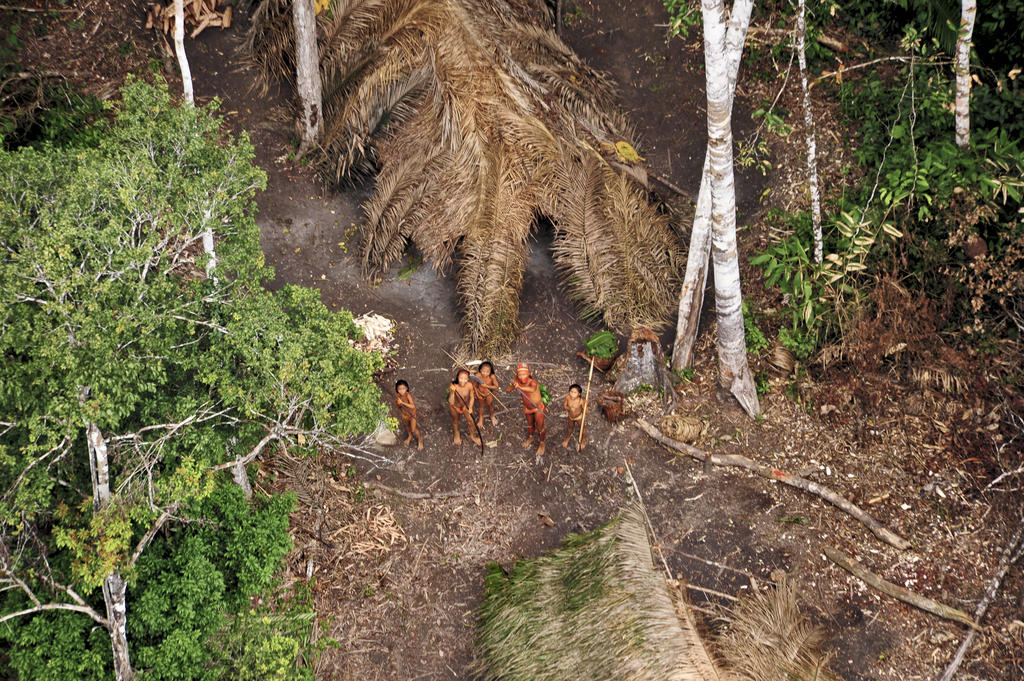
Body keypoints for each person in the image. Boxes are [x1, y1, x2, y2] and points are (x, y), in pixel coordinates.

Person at [505, 362, 546, 461]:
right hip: (527, 408)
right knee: (530, 424)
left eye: (524, 374)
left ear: (528, 374)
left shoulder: (533, 382)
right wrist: (513, 386)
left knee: (540, 427)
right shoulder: (517, 381)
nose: (522, 377)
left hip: (538, 408)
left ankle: (542, 443)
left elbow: (532, 389)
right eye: (520, 374)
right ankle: (531, 437)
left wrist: (520, 387)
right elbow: (508, 390)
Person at [449, 369, 481, 446]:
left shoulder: (469, 385)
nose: (463, 381)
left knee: (471, 421)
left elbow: (472, 397)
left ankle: (472, 436)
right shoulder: (454, 386)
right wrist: (452, 392)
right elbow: (451, 401)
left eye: (465, 378)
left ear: (468, 379)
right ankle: (456, 433)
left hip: (465, 406)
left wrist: (470, 407)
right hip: (455, 407)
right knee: (455, 421)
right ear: (457, 378)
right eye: (461, 378)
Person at [394, 380, 423, 450]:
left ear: (406, 388)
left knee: (413, 429)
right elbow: (398, 406)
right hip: (405, 415)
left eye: (403, 389)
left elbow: (413, 406)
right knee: (407, 427)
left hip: (412, 415)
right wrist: (398, 404)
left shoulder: (408, 395)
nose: (401, 391)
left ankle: (420, 440)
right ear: (397, 390)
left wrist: (402, 403)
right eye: (399, 389)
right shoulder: (398, 396)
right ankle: (410, 436)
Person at [473, 361, 500, 429]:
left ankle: (492, 416)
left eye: (487, 372)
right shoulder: (478, 376)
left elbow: (496, 386)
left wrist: (487, 386)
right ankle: (481, 418)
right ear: (480, 370)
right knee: (481, 406)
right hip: (480, 393)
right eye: (483, 371)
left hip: (488, 394)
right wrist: (477, 394)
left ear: (490, 372)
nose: (485, 373)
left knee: (490, 405)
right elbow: (474, 386)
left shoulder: (492, 377)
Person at [561, 383, 587, 451]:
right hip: (570, 416)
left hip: (579, 417)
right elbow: (564, 406)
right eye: (571, 391)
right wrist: (567, 408)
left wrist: (585, 405)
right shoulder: (568, 398)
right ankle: (568, 437)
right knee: (570, 427)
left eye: (575, 392)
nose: (572, 394)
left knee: (582, 428)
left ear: (579, 394)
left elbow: (586, 412)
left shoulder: (581, 401)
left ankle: (583, 440)